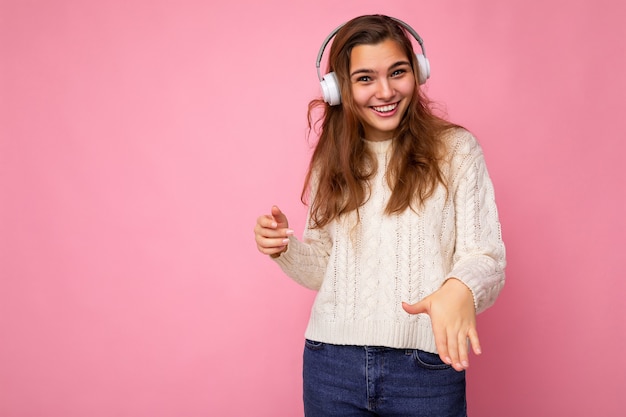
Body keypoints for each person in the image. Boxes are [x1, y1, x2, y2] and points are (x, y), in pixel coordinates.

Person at [254, 14, 505, 417]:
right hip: (330, 363)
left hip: (426, 368)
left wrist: (460, 287)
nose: (385, 91)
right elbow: (325, 268)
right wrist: (284, 248)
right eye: (365, 78)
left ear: (418, 72)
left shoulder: (457, 150)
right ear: (339, 88)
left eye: (398, 72)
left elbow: (486, 256)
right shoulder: (331, 160)